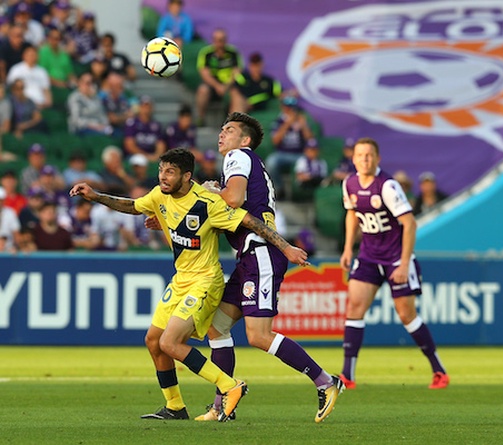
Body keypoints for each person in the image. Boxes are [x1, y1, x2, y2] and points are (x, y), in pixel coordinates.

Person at [69, 147, 308, 421]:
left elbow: (249, 220)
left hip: (205, 280)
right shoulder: (160, 195)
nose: (163, 177)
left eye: (170, 172)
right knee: (154, 341)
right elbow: (133, 206)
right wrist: (95, 196)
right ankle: (175, 407)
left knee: (171, 342)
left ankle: (231, 386)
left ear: (186, 176)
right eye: (161, 171)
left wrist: (286, 247)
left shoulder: (207, 202)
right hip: (181, 279)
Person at [197, 112, 343, 423]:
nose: (222, 135)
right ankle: (223, 402)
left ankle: (326, 382)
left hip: (260, 253)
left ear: (245, 140)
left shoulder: (238, 156)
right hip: (250, 254)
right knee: (217, 327)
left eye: (230, 130)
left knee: (259, 336)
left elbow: (233, 199)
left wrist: (209, 193)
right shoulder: (245, 162)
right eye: (221, 129)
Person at [339, 137, 449, 390]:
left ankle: (438, 370)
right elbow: (352, 214)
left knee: (406, 314)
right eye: (360, 155)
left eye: (369, 155)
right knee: (354, 306)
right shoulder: (350, 183)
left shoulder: (387, 186)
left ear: (378, 159)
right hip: (368, 255)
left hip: (395, 258)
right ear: (353, 159)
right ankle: (348, 375)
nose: (364, 159)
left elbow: (410, 223)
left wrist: (402, 263)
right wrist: (347, 248)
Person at [266, 94, 314, 200]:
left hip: (299, 154)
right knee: (271, 161)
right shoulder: (279, 121)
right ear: (283, 107)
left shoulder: (301, 120)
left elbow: (310, 140)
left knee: (307, 163)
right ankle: (279, 188)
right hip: (282, 153)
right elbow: (275, 140)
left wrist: (304, 126)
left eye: (292, 108)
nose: (290, 110)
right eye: (288, 107)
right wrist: (288, 123)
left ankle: (299, 195)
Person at [195, 28, 242, 126]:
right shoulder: (206, 53)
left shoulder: (233, 52)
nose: (219, 43)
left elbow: (237, 71)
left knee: (237, 96)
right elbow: (204, 72)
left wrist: (226, 86)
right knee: (202, 90)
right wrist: (217, 86)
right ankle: (201, 118)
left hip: (228, 84)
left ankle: (233, 125)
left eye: (221, 40)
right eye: (216, 40)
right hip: (212, 84)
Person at [6, 45, 52, 109]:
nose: (31, 57)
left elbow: (46, 89)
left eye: (33, 55)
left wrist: (48, 102)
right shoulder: (16, 69)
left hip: (40, 104)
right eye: (29, 55)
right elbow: (12, 89)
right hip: (23, 103)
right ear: (24, 56)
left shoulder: (42, 71)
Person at [67, 71, 112, 135]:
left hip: (99, 127)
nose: (90, 86)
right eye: (87, 83)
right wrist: (95, 126)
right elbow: (76, 120)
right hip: (81, 129)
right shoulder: (75, 98)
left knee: (116, 133)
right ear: (80, 83)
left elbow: (102, 115)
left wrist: (105, 125)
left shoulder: (96, 98)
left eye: (92, 83)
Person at [123, 95, 165, 162]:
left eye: (148, 107)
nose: (146, 109)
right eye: (144, 106)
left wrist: (156, 156)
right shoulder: (132, 123)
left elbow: (160, 144)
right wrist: (146, 156)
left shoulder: (156, 125)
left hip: (152, 155)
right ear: (139, 107)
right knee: (139, 160)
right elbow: (129, 145)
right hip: (135, 155)